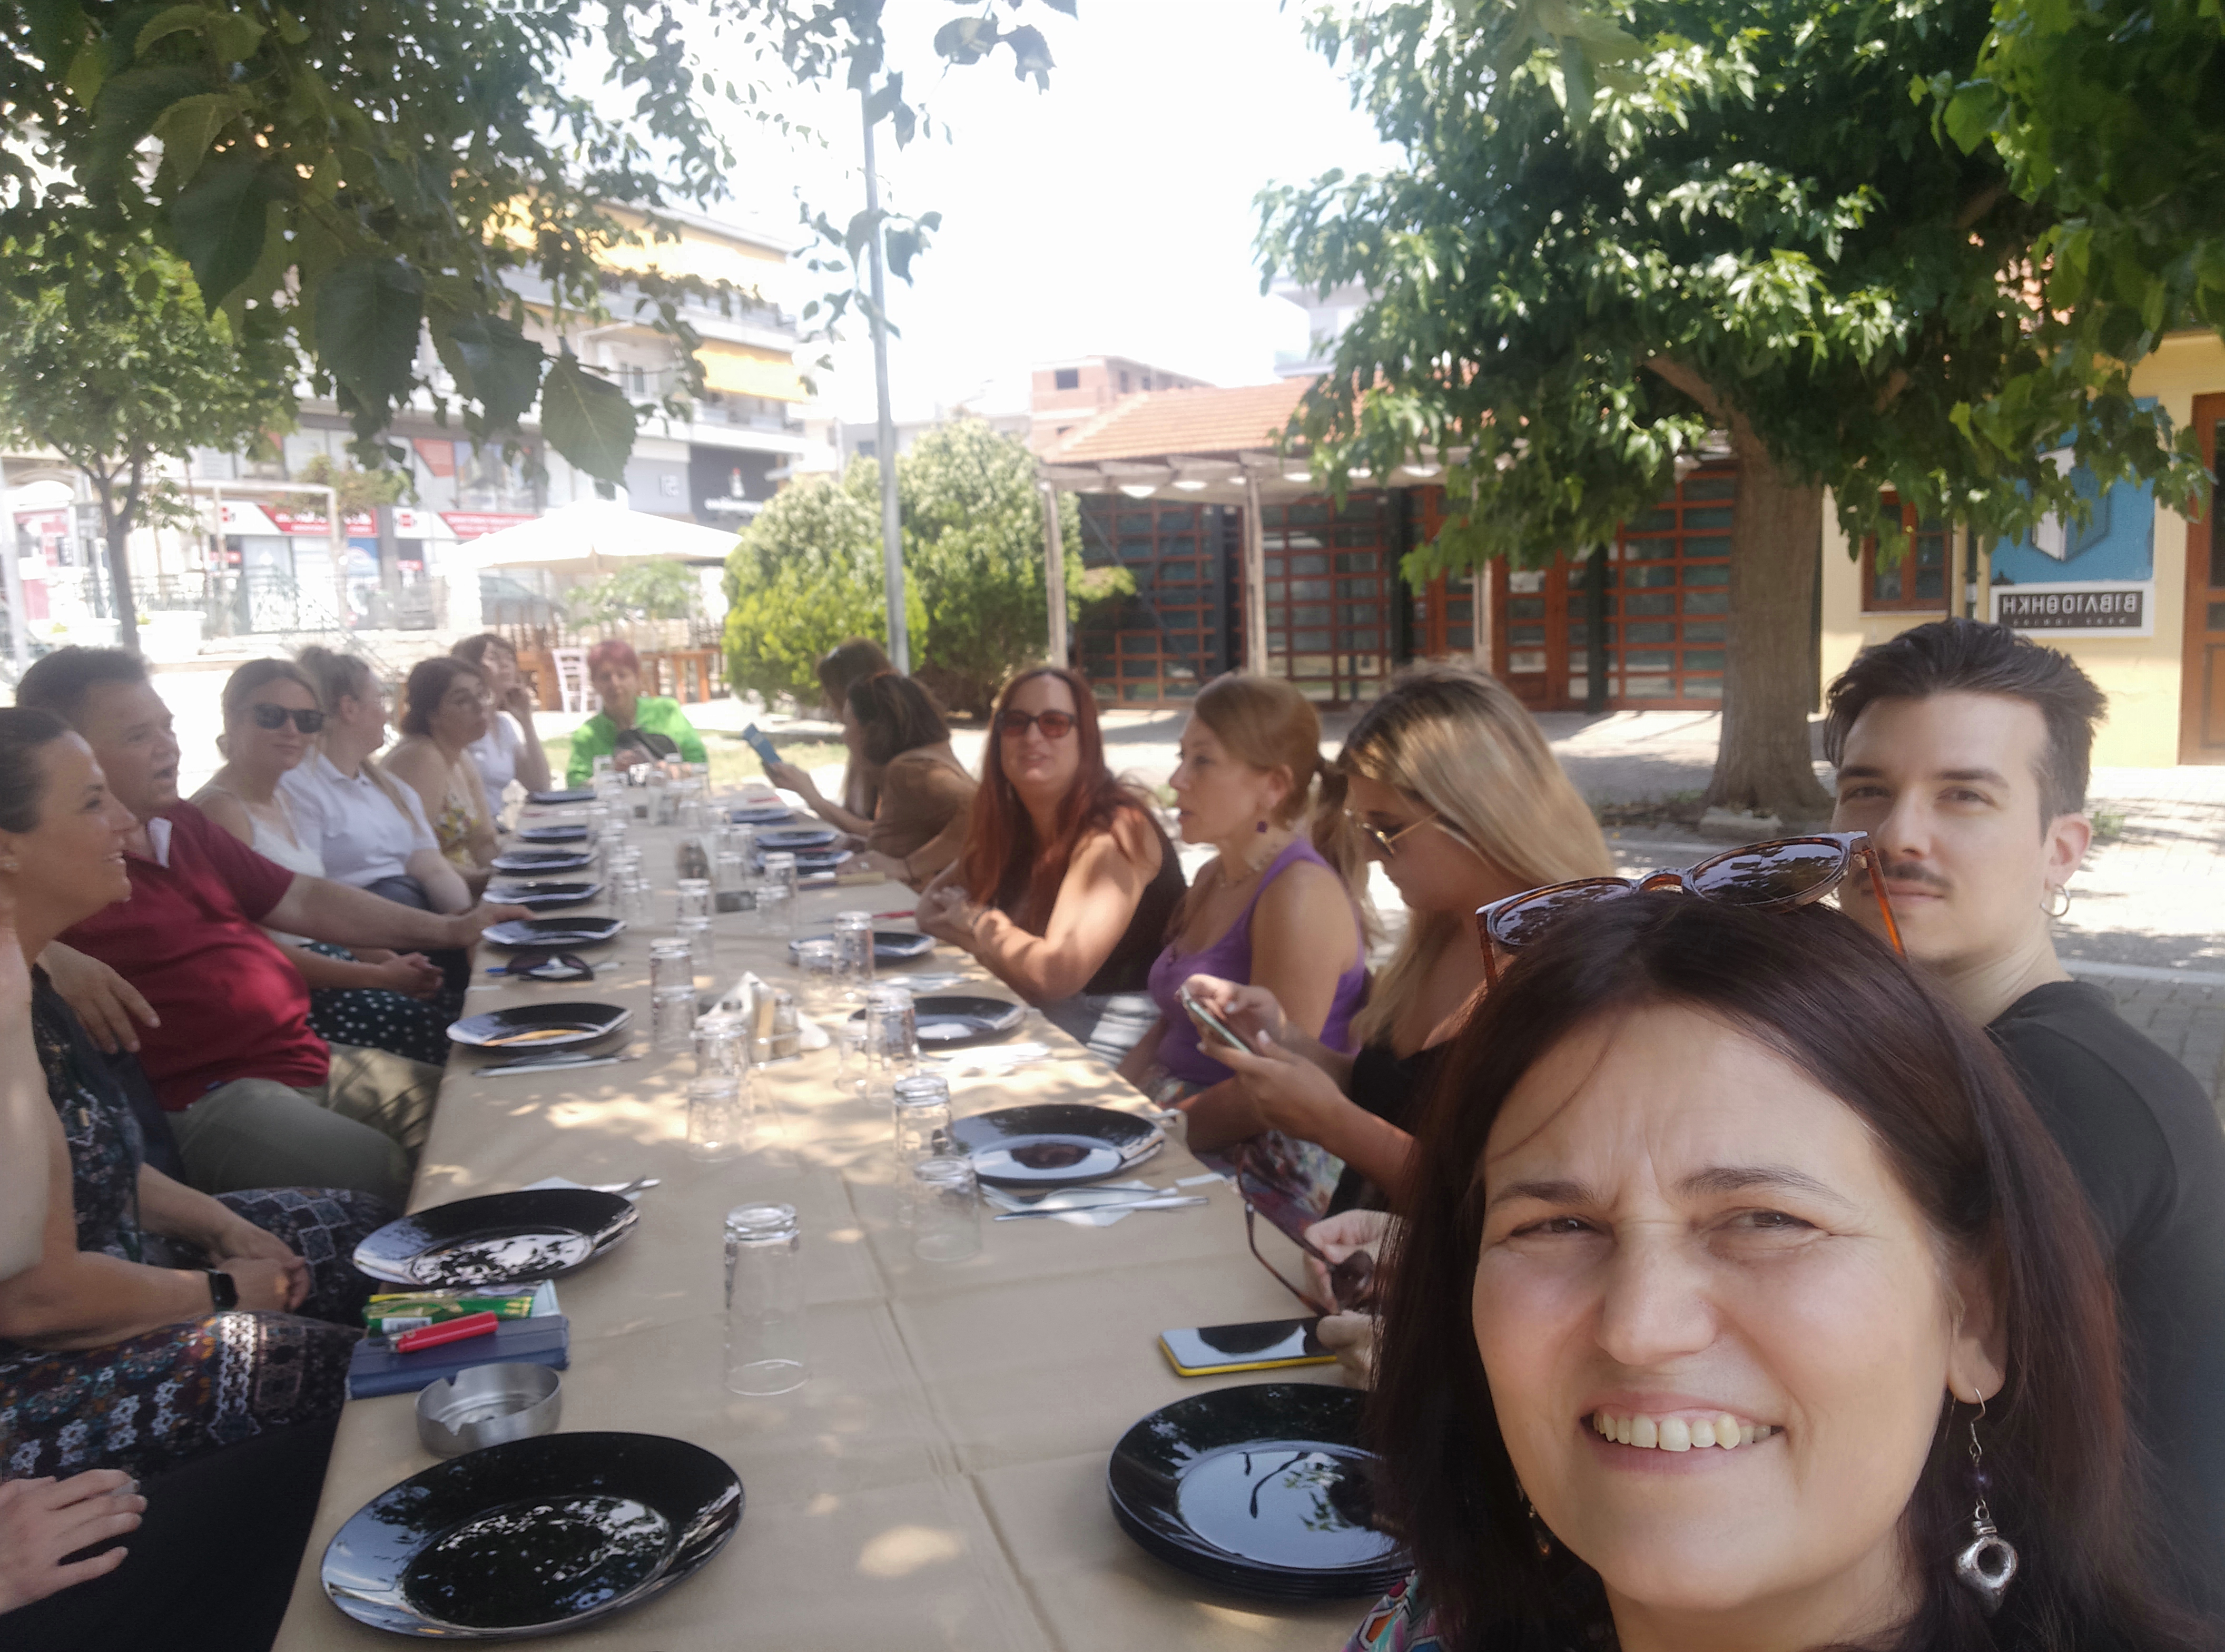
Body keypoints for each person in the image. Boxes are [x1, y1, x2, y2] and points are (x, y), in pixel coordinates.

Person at [1352, 891, 2206, 1652]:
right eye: (1558, 1225)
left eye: (1767, 1220)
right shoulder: (1418, 1628)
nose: (1639, 1327)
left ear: (1975, 1312)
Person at [1824, 615, 2225, 1612]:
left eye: (1963, 795)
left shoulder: (2065, 1088)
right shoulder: (1949, 1066)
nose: (1895, 835)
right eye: (1866, 790)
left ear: (2061, 851)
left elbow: (1848, 1376)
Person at [0, 705, 380, 1479]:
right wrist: (221, 1291)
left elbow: (94, 1166)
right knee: (341, 1370)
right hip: (29, 1369)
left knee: (371, 1238)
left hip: (117, 1264)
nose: (124, 821)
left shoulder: (33, 978)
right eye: (92, 803)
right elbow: (35, 1301)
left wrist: (222, 1225)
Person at [14, 647, 525, 1206]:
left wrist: (452, 930)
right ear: (68, 755)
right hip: (208, 1096)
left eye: (168, 727)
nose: (169, 747)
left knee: (485, 1114)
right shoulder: (56, 862)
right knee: (385, 1171)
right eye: (139, 736)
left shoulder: (177, 823)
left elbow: (301, 897)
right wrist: (45, 956)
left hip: (302, 1055)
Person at [1182, 664, 1612, 1211]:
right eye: (1362, 828)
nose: (1366, 852)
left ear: (1477, 813)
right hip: (1354, 1246)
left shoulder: (1572, 972)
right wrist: (1283, 1039)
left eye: (1385, 828)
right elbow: (1392, 1094)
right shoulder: (1443, 929)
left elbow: (1502, 1210)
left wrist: (1333, 1123)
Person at [1120, 674, 1368, 1223]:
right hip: (1179, 1125)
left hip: (1262, 1156)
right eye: (1181, 757)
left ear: (1273, 785)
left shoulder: (1298, 894)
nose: (1177, 780)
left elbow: (1268, 1091)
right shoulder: (1214, 875)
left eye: (1203, 761)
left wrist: (1146, 1136)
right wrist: (1111, 1102)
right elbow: (1169, 1021)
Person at [915, 666, 1186, 1064]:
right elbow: (929, 909)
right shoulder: (1015, 825)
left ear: (1085, 740)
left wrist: (979, 924)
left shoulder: (1116, 830)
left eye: (1054, 723)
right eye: (1016, 723)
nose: (1032, 737)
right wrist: (1002, 951)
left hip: (1120, 1033)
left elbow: (1056, 974)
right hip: (1038, 1011)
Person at [190, 660, 453, 1067]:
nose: (292, 731)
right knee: (444, 1038)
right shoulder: (221, 812)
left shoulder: (284, 798)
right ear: (232, 718)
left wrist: (388, 960)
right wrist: (378, 976)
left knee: (457, 1008)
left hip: (333, 968)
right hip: (295, 995)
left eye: (307, 720)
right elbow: (255, 948)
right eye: (271, 716)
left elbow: (318, 911)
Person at [782, 673, 977, 889]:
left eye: (847, 725)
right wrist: (876, 846)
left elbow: (981, 810)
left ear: (872, 729)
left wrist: (907, 867)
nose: (844, 737)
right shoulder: (927, 760)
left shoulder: (912, 771)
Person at [383, 656, 499, 885]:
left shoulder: (460, 755)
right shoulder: (422, 757)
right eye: (462, 701)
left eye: (481, 694)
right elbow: (410, 852)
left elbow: (483, 841)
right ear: (432, 714)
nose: (480, 707)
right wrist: (484, 881)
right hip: (432, 892)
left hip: (469, 885)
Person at [768, 636, 895, 835]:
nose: (828, 704)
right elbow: (854, 822)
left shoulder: (895, 751)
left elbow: (884, 835)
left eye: (832, 695)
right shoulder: (860, 741)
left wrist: (812, 797)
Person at [562, 639, 707, 785]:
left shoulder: (666, 712)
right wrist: (611, 773)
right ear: (594, 683)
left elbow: (700, 762)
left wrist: (675, 770)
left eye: (622, 675)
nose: (615, 684)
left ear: (638, 678)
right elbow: (575, 785)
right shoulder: (588, 736)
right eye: (605, 677)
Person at [452, 632, 553, 800]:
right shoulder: (462, 725)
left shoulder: (503, 725)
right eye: (494, 657)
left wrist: (527, 722)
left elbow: (539, 785)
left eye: (510, 658)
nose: (505, 664)